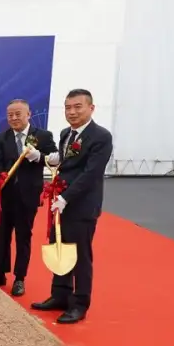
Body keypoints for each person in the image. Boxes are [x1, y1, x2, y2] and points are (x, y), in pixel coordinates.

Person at [31, 89, 114, 324]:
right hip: (61, 202)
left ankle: (80, 303)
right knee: (60, 246)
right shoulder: (66, 133)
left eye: (78, 107)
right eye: (68, 107)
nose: (72, 112)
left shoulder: (101, 136)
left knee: (80, 255)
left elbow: (91, 173)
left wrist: (66, 197)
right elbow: (66, 164)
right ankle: (60, 295)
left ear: (91, 108)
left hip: (82, 205)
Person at [0, 99, 57, 297]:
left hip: (28, 195)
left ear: (28, 114)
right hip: (5, 195)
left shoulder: (42, 136)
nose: (14, 118)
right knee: (2, 235)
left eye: (18, 114)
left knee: (23, 236)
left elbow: (55, 158)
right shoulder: (1, 137)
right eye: (10, 115)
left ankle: (19, 278)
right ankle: (0, 273)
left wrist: (38, 156)